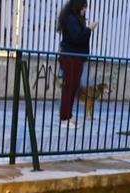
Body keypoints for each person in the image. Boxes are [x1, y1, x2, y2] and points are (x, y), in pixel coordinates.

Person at [56, 0, 97, 128]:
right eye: (84, 8)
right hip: (70, 57)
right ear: (78, 6)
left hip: (76, 57)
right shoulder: (71, 19)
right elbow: (78, 38)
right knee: (69, 88)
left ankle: (68, 115)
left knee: (73, 88)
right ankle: (64, 118)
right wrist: (89, 29)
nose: (85, 11)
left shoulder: (75, 18)